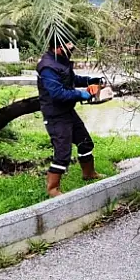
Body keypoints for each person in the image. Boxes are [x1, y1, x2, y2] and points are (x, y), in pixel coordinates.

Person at [36, 35, 104, 197]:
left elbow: (71, 79)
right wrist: (83, 95)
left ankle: (89, 173)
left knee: (85, 142)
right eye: (69, 46)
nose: (72, 48)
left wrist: (90, 80)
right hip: (55, 115)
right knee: (62, 153)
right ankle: (52, 189)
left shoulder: (60, 61)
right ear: (58, 46)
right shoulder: (47, 67)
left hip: (67, 112)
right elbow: (57, 93)